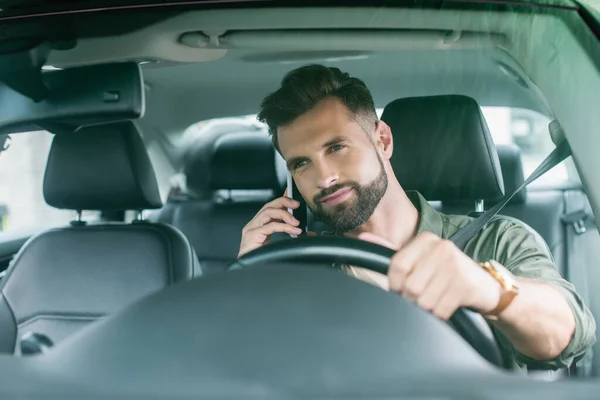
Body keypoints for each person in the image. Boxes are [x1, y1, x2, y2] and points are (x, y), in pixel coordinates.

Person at [238, 64, 596, 372]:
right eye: (301, 163)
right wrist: (248, 283)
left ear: (383, 140)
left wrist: (487, 288)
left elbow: (567, 334)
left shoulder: (497, 240)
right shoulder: (300, 272)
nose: (324, 177)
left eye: (336, 148)